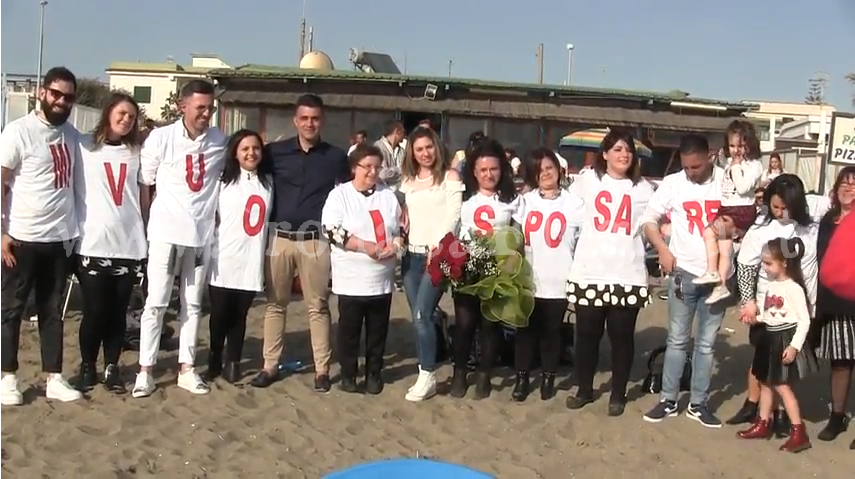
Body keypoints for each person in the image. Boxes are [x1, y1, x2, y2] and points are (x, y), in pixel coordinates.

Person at [132, 80, 227, 398]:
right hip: (164, 233)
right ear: (182, 106)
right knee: (156, 302)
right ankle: (145, 369)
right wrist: (146, 225)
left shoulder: (218, 140)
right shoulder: (161, 138)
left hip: (200, 237)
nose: (206, 114)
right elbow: (146, 183)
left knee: (193, 304)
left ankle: (187, 367)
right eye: (200, 107)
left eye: (210, 108)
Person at [252, 94, 349, 392]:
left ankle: (321, 369)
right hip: (279, 238)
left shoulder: (335, 157)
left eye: (315, 118)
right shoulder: (274, 153)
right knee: (275, 305)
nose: (309, 123)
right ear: (295, 120)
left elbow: (350, 193)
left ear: (323, 121)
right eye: (304, 118)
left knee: (318, 306)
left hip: (315, 241)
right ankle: (270, 366)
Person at [0, 66, 83, 405]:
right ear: (42, 92)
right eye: (56, 94)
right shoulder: (19, 132)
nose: (61, 101)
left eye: (68, 97)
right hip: (21, 237)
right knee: (11, 310)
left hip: (60, 239)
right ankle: (8, 377)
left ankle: (54, 376)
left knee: (52, 311)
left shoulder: (73, 136)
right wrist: (1, 232)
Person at [563, 132, 655, 415]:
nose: (623, 155)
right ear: (604, 154)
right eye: (617, 149)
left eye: (628, 150)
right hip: (591, 272)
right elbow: (567, 213)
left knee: (622, 337)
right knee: (587, 335)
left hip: (627, 273)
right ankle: (585, 389)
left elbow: (653, 224)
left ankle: (617, 393)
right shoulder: (587, 181)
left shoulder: (643, 188)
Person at [640, 134, 727, 428]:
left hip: (717, 278)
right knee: (677, 340)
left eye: (697, 166)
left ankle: (698, 403)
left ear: (710, 157)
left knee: (706, 344)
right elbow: (648, 219)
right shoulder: (674, 183)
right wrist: (662, 250)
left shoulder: (726, 182)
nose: (691, 172)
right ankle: (668, 399)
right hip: (683, 273)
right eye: (687, 167)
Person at [731, 174, 821, 432]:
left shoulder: (812, 225)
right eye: (775, 206)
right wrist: (748, 301)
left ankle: (779, 413)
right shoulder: (762, 227)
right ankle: (753, 405)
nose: (780, 212)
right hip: (767, 307)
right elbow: (746, 266)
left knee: (787, 364)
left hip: (800, 307)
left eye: (786, 207)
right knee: (761, 359)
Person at [73, 92, 149, 394]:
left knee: (118, 312)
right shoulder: (84, 146)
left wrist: (146, 232)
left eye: (131, 116)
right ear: (108, 114)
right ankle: (87, 365)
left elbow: (143, 197)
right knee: (95, 311)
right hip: (93, 243)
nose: (126, 120)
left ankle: (112, 366)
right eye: (121, 113)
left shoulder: (137, 153)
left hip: (128, 245)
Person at [322, 145, 403, 394]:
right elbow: (331, 230)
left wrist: (397, 245)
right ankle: (348, 374)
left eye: (377, 167)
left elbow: (399, 228)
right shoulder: (340, 195)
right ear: (354, 168)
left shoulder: (387, 195)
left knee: (377, 331)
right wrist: (363, 246)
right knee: (349, 331)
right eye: (367, 166)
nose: (372, 172)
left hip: (381, 278)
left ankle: (374, 373)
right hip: (351, 277)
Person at [451, 138, 523, 399]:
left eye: (493, 169)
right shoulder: (463, 198)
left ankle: (484, 375)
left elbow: (521, 233)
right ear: (474, 172)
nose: (489, 174)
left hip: (497, 269)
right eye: (483, 170)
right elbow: (452, 230)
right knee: (464, 325)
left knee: (490, 325)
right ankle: (459, 372)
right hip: (468, 268)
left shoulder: (512, 200)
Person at [512, 148, 582, 402]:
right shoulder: (525, 201)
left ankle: (548, 377)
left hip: (559, 277)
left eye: (549, 168)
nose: (545, 174)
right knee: (525, 331)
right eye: (539, 170)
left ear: (559, 169)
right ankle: (521, 378)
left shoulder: (574, 203)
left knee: (553, 332)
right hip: (529, 278)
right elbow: (516, 237)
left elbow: (580, 241)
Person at [398, 127, 463, 402]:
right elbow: (403, 214)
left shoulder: (449, 177)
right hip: (410, 257)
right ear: (411, 153)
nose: (425, 153)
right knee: (420, 316)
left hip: (439, 255)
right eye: (419, 149)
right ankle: (437, 332)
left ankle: (427, 374)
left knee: (422, 315)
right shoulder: (407, 181)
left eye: (429, 147)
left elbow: (454, 214)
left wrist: (438, 245)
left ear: (436, 147)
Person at [206, 129, 273, 384]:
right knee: (219, 313)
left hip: (251, 256)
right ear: (235, 152)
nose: (251, 153)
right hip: (223, 255)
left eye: (255, 148)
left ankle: (233, 360)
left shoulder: (268, 182)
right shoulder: (222, 180)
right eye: (245, 148)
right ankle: (215, 356)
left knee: (240, 314)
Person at [736, 237, 816, 453]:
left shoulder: (794, 288)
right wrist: (755, 317)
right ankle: (763, 423)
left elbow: (804, 319)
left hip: (784, 339)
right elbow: (772, 315)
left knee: (783, 386)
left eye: (768, 263)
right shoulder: (772, 286)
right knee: (765, 382)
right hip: (769, 337)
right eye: (763, 262)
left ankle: (799, 431)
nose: (764, 267)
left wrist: (794, 346)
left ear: (785, 263)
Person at [694, 121, 763, 304]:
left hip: (740, 209)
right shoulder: (729, 161)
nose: (736, 150)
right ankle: (720, 283)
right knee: (721, 244)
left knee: (714, 235)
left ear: (750, 144)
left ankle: (714, 273)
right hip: (727, 207)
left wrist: (736, 166)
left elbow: (742, 187)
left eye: (740, 145)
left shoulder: (754, 165)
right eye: (732, 146)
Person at [813, 166, 855, 447]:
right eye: (844, 182)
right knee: (840, 361)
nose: (848, 187)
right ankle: (837, 416)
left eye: (854, 184)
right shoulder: (828, 220)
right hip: (834, 301)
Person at [374, 121, 405, 187]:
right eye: (403, 132)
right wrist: (400, 171)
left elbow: (407, 172)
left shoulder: (401, 151)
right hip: (383, 190)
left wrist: (392, 171)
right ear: (398, 132)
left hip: (399, 191)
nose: (404, 135)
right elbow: (382, 174)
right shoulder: (378, 148)